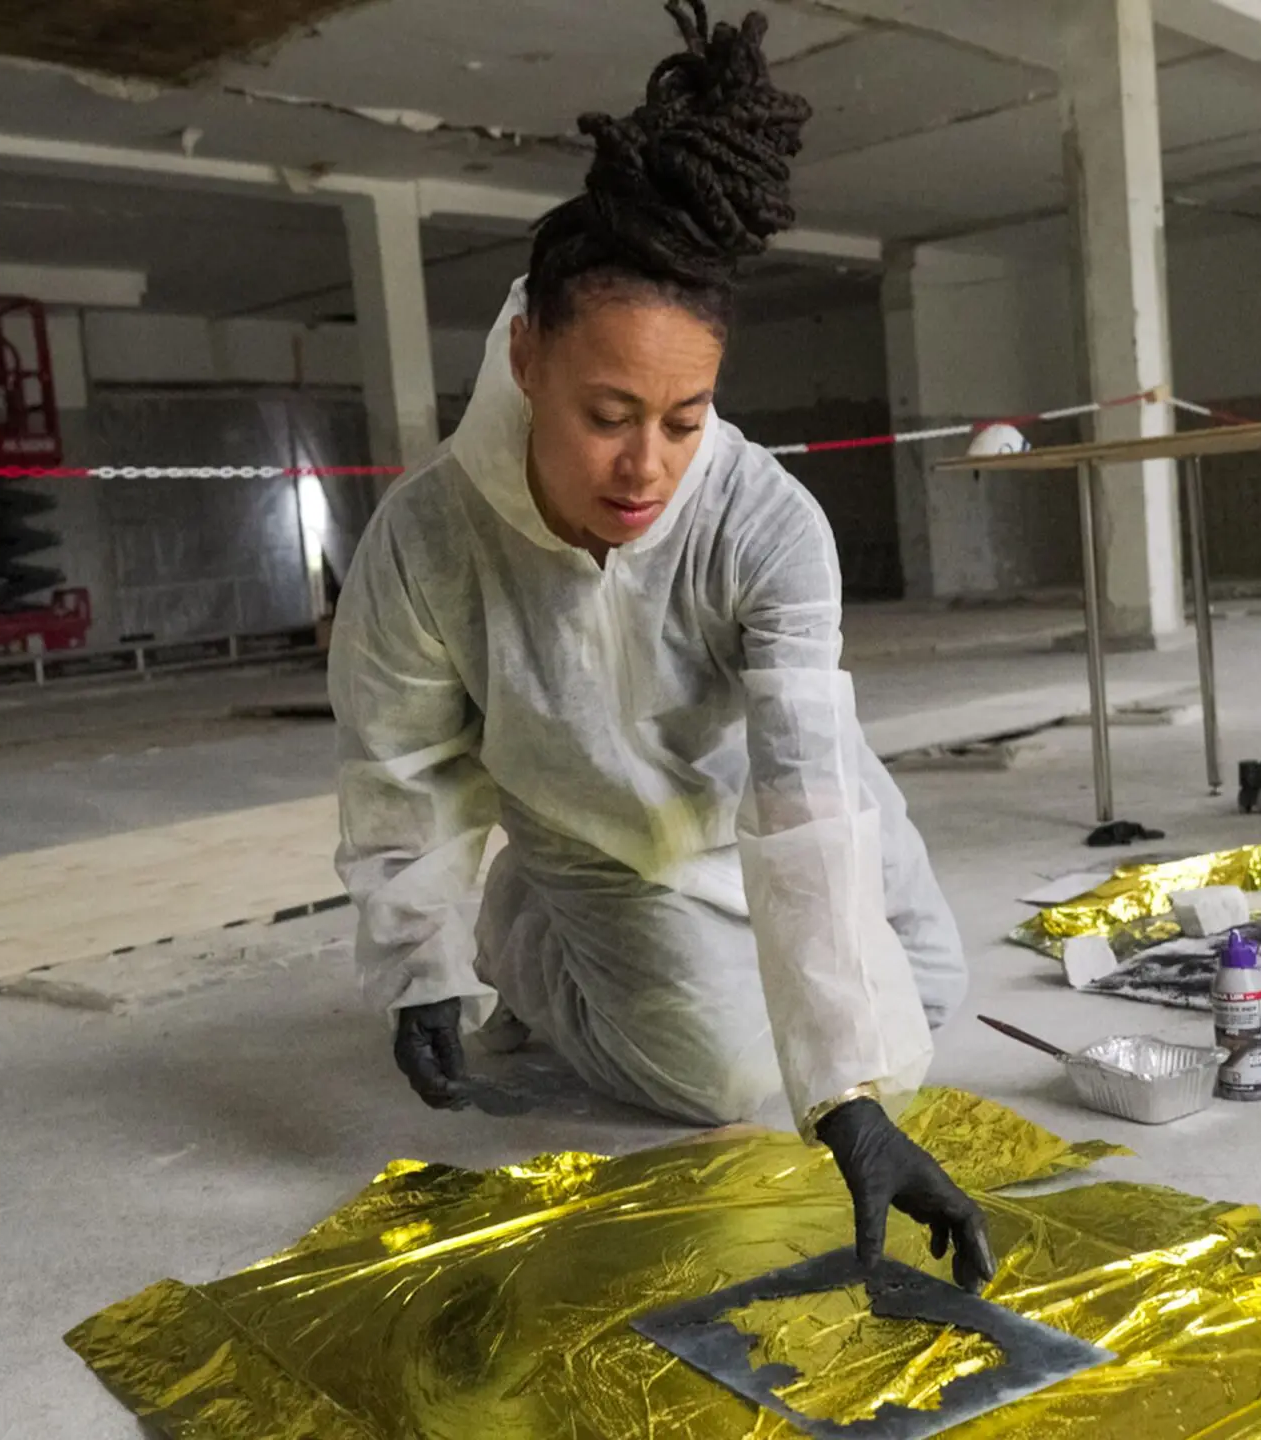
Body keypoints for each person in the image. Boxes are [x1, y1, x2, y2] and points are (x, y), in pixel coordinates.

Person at [325, 1, 994, 1292]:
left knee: (918, 1006)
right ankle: (527, 933)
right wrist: (422, 962)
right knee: (732, 1077)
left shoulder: (767, 521)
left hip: (761, 794)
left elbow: (803, 796)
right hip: (596, 842)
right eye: (608, 414)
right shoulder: (426, 538)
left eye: (684, 420)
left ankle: (762, 1005)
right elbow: (403, 763)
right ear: (527, 358)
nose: (646, 467)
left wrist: (846, 1099)